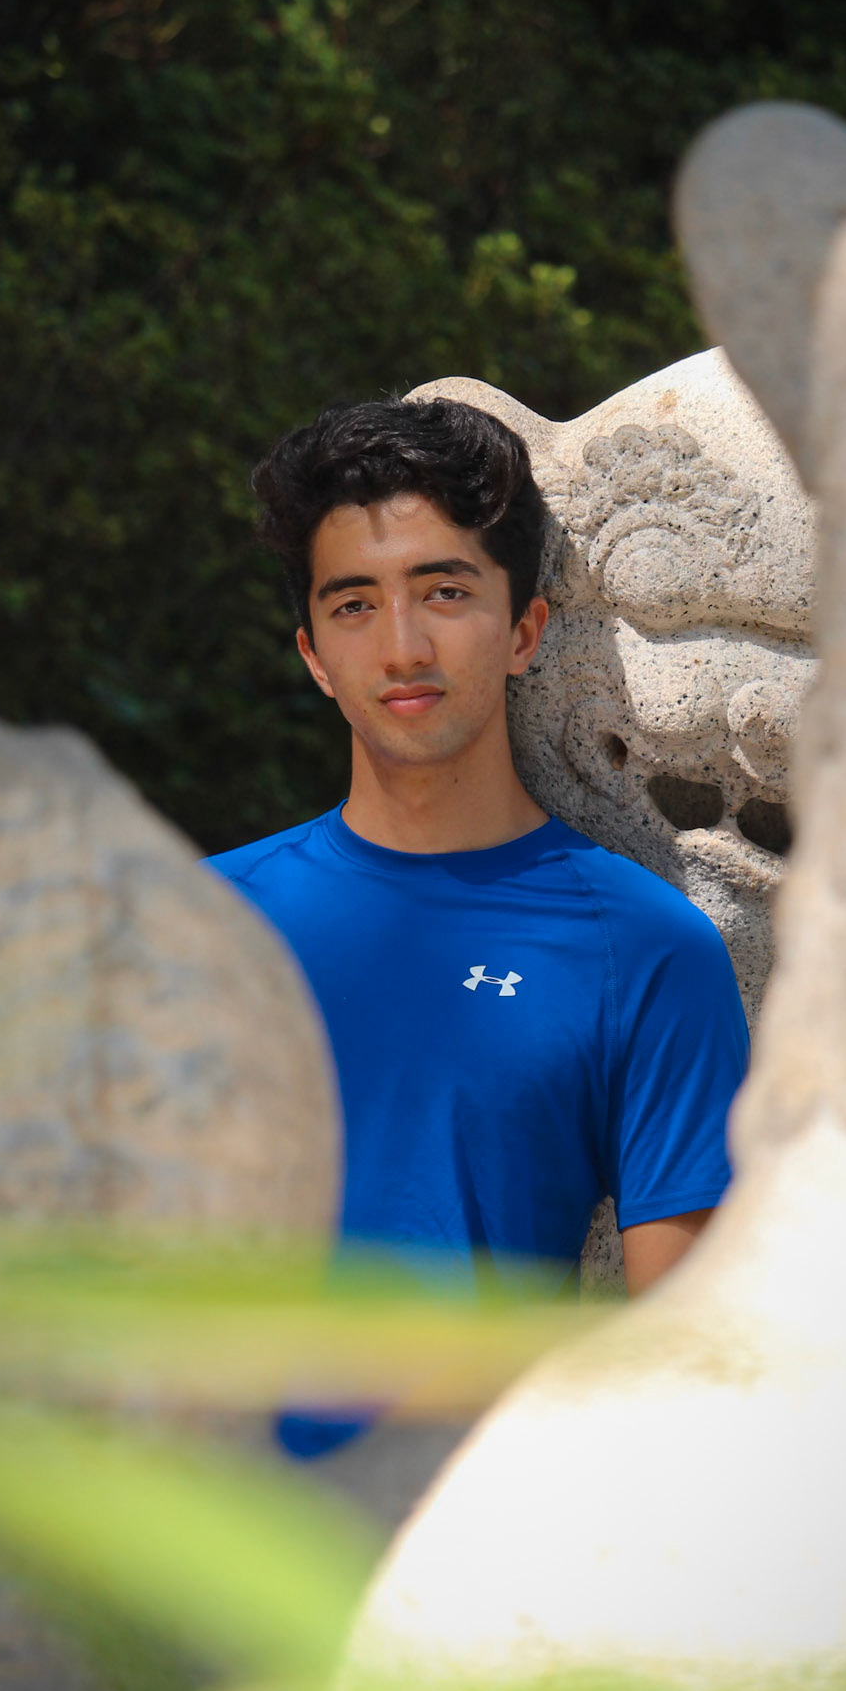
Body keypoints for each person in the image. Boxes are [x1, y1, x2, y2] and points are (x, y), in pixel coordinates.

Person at [205, 396, 749, 1461]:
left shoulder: (644, 950)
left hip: (476, 1542)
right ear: (313, 654)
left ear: (523, 631)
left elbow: (685, 1368)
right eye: (354, 604)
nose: (402, 646)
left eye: (445, 592)